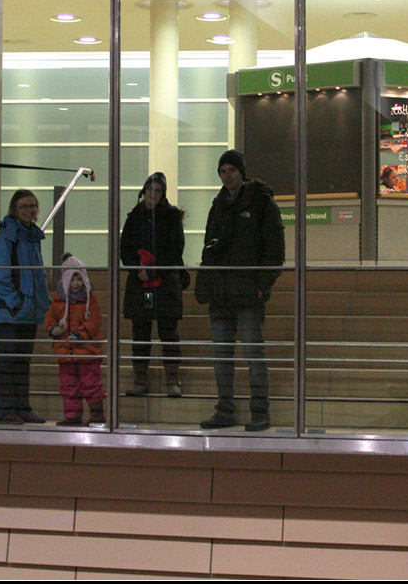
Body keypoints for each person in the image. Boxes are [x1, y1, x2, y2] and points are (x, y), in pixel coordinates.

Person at [194, 149, 285, 432]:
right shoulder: (218, 205)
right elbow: (209, 247)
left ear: (241, 172)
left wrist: (262, 286)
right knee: (222, 358)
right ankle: (225, 410)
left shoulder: (261, 203)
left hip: (247, 296)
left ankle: (260, 411)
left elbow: (275, 249)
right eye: (223, 171)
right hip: (221, 295)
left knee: (253, 356)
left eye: (231, 170)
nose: (227, 175)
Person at [120, 172, 187, 398]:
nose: (153, 194)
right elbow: (125, 249)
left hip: (166, 283)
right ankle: (140, 379)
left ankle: (172, 380)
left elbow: (175, 250)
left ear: (163, 194)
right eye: (150, 190)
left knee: (169, 333)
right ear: (143, 191)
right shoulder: (134, 216)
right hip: (139, 285)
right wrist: (136, 269)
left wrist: (153, 270)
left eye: (158, 191)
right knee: (140, 333)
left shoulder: (172, 216)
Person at [0, 189, 51, 424]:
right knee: (7, 362)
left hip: (29, 311)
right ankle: (6, 411)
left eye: (32, 206)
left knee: (22, 363)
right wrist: (15, 303)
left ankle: (22, 409)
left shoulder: (32, 236)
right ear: (15, 210)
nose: (29, 210)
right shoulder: (8, 235)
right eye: (24, 206)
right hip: (12, 312)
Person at [46, 254, 106, 426]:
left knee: (91, 384)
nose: (77, 283)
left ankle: (97, 416)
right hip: (65, 352)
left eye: (80, 278)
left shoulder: (90, 299)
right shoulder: (58, 300)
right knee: (69, 386)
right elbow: (49, 317)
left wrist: (80, 334)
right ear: (66, 280)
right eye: (73, 279)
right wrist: (52, 328)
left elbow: (95, 319)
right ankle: (72, 417)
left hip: (87, 352)